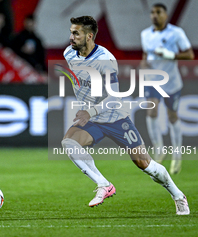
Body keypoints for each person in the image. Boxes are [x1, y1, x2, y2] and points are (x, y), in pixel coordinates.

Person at [61, 15, 189, 215]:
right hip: (93, 120)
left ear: (89, 36)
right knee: (69, 143)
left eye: (76, 33)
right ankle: (103, 184)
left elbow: (113, 97)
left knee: (145, 165)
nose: (71, 37)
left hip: (115, 117)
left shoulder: (105, 60)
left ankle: (178, 195)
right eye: (71, 32)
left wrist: (90, 109)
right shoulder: (69, 53)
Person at [140, 3, 194, 174]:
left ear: (166, 15)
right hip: (153, 80)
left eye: (158, 12)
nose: (154, 15)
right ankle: (159, 148)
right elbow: (145, 54)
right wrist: (143, 65)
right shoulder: (145, 34)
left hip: (171, 82)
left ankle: (177, 153)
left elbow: (190, 54)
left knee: (172, 116)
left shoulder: (176, 33)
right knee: (151, 111)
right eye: (152, 12)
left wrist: (171, 55)